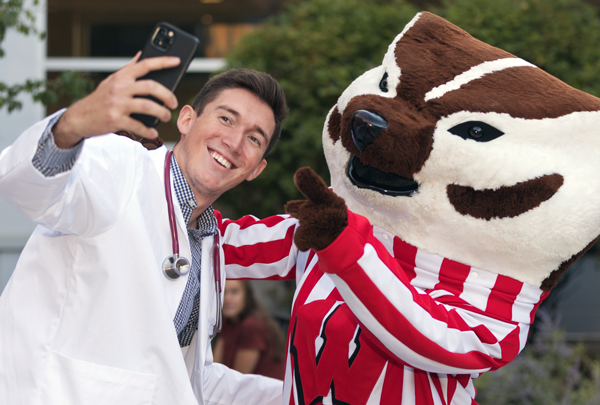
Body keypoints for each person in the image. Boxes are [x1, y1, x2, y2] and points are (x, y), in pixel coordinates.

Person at [0, 53, 288, 405]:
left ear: (256, 168)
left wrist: (306, 395)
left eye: (254, 139)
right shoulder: (122, 165)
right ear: (186, 119)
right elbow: (26, 186)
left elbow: (187, 378)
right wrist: (75, 122)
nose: (234, 142)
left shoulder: (207, 241)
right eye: (226, 119)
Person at [213, 280, 286, 380]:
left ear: (247, 295)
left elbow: (237, 379)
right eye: (223, 292)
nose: (227, 299)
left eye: (234, 292)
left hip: (266, 393)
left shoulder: (251, 326)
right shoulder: (228, 321)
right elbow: (214, 366)